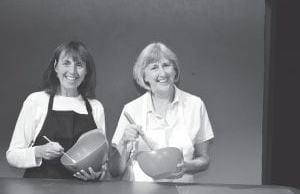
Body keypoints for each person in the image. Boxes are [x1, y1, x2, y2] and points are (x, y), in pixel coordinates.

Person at [109, 42, 214, 182]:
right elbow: (115, 171)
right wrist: (123, 142)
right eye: (154, 67)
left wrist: (186, 166)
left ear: (175, 71)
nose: (162, 73)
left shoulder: (195, 105)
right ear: (144, 76)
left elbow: (204, 159)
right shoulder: (131, 109)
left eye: (166, 65)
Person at [6, 41, 106, 181]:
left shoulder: (96, 107)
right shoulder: (36, 101)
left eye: (79, 65)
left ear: (86, 71)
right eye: (66, 63)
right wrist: (39, 151)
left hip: (82, 190)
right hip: (39, 188)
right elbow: (12, 156)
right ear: (55, 67)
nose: (72, 71)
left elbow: (101, 163)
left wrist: (97, 175)